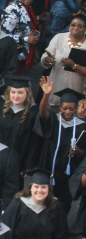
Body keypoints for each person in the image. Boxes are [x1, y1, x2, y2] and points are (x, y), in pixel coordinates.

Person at [36, 83, 86, 211]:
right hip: (48, 167)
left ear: (76, 109)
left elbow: (83, 153)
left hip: (67, 173)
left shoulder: (82, 127)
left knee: (63, 204)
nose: (67, 112)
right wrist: (46, 95)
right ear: (60, 107)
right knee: (43, 202)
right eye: (64, 108)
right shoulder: (53, 119)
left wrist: (78, 152)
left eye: (71, 109)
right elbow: (42, 112)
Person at [4, 170, 69, 239]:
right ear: (30, 188)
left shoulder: (56, 207)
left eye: (43, 187)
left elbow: (61, 237)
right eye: (36, 187)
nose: (39, 190)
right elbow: (7, 230)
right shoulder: (18, 204)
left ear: (49, 189)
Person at [40, 13, 86, 108]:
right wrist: (47, 60)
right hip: (56, 85)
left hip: (77, 88)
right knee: (51, 117)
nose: (75, 28)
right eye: (73, 25)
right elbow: (45, 56)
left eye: (80, 26)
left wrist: (74, 65)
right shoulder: (59, 37)